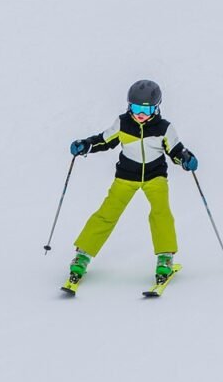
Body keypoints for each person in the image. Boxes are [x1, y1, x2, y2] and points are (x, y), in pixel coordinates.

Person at [66, 80, 198, 287]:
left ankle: (165, 256)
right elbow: (104, 140)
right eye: (135, 108)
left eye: (146, 110)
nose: (140, 114)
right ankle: (83, 255)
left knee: (160, 212)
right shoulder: (123, 123)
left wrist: (185, 158)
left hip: (155, 177)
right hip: (126, 176)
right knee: (107, 214)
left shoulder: (164, 128)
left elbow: (175, 150)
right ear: (129, 106)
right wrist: (86, 145)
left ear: (157, 107)